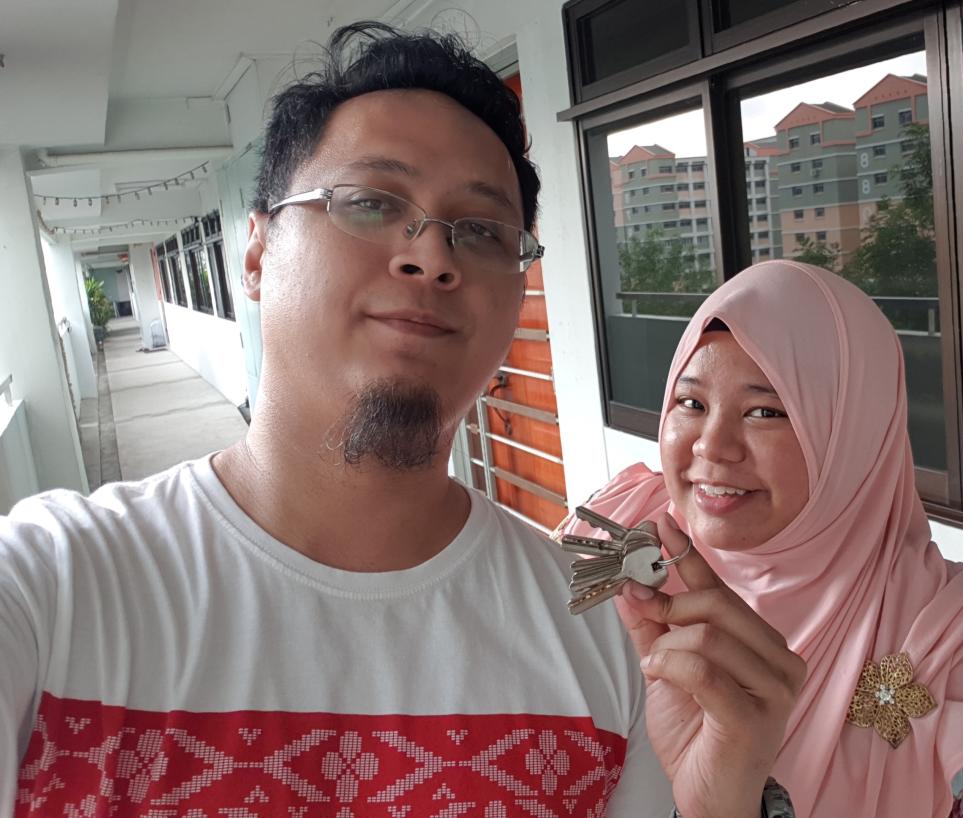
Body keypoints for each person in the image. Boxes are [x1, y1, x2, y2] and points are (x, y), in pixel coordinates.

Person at [0, 24, 802, 818]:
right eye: (371, 203)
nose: (431, 255)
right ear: (254, 255)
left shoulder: (605, 636)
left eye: (481, 230)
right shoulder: (55, 589)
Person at [560, 259, 963, 817]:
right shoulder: (611, 544)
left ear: (854, 434)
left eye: (766, 412)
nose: (712, 446)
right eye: (690, 403)